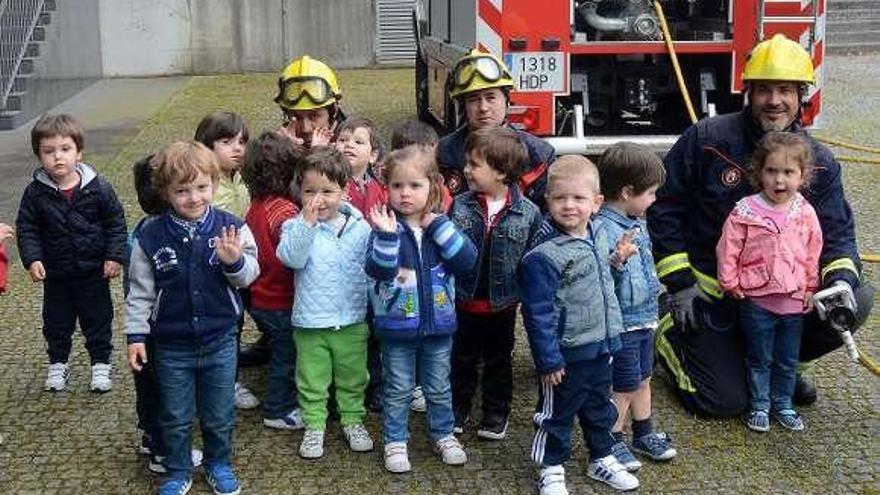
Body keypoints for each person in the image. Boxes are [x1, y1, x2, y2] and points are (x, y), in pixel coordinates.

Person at [647, 33, 873, 417]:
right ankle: (667, 333)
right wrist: (681, 283)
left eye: (785, 90)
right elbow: (664, 210)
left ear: (801, 95)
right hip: (711, 298)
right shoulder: (707, 140)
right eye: (764, 89)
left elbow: (837, 234)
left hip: (783, 301)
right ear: (748, 92)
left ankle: (784, 368)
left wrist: (839, 282)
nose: (774, 100)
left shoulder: (818, 162)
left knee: (859, 298)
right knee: (723, 403)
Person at [126, 140, 259, 495]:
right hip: (171, 345)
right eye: (182, 191)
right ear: (166, 192)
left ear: (214, 185)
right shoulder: (150, 236)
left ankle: (219, 463)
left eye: (201, 187)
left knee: (218, 414)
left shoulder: (232, 227)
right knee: (175, 414)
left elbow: (249, 277)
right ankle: (178, 469)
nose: (194, 198)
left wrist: (235, 261)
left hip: (220, 341)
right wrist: (136, 337)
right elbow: (140, 293)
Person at [519, 155, 640, 494]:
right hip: (566, 352)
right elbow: (537, 312)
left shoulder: (598, 232)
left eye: (578, 198)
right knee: (556, 413)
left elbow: (598, 277)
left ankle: (601, 456)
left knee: (600, 407)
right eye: (560, 198)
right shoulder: (543, 255)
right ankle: (551, 466)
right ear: (547, 201)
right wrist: (548, 358)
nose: (569, 206)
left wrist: (616, 262)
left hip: (603, 344)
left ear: (597, 203)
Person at [365, 145, 477, 474]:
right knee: (398, 387)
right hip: (396, 328)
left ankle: (443, 433)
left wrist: (439, 227)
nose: (405, 193)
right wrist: (386, 238)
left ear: (433, 186)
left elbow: (466, 261)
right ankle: (395, 440)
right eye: (397, 186)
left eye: (415, 185)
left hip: (439, 326)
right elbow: (379, 271)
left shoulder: (441, 227)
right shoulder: (384, 227)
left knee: (439, 386)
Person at [717, 132, 822, 432]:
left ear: (802, 176)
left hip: (792, 302)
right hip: (756, 301)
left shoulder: (804, 212)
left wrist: (810, 287)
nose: (779, 181)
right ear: (758, 172)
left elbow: (813, 251)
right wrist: (730, 280)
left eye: (788, 173)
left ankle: (783, 404)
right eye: (772, 171)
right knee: (759, 358)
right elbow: (729, 247)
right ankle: (760, 405)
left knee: (787, 360)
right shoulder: (745, 211)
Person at [16, 114, 127, 393]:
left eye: (65, 149)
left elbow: (115, 222)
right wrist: (33, 259)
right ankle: (58, 363)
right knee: (56, 321)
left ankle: (100, 363)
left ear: (79, 152)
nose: (58, 157)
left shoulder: (98, 188)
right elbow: (27, 228)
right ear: (39, 156)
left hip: (93, 271)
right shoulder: (35, 194)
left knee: (98, 318)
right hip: (57, 273)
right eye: (49, 151)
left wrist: (114, 256)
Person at [276, 147, 374, 460]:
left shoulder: (362, 228)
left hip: (352, 318)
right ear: (299, 193)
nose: (319, 199)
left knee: (353, 376)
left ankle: (352, 419)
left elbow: (373, 272)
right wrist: (306, 223)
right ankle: (314, 425)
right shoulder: (295, 226)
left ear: (345, 191)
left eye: (328, 191)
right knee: (312, 378)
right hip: (311, 321)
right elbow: (291, 257)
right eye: (310, 191)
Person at [449, 126, 542, 440]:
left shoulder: (528, 213)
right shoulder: (459, 205)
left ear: (501, 172)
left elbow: (533, 256)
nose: (466, 170)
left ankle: (495, 412)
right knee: (461, 358)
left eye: (474, 165)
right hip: (462, 300)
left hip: (502, 305)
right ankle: (457, 408)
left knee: (499, 361)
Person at [592, 143, 676, 471]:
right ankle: (611, 439)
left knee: (643, 377)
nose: (654, 200)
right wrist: (616, 261)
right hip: (622, 323)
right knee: (623, 384)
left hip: (644, 317)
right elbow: (599, 278)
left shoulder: (636, 221)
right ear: (628, 192)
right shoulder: (603, 229)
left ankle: (644, 432)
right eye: (651, 193)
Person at [126, 155, 204, 475]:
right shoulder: (156, 236)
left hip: (147, 327)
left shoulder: (142, 230)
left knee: (147, 386)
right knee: (164, 391)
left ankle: (150, 436)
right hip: (162, 329)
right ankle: (163, 453)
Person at [195, 111, 262, 409]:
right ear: (205, 147)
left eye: (242, 142)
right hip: (208, 268)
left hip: (238, 263)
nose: (238, 148)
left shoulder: (240, 178)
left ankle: (229, 380)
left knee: (233, 325)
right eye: (227, 141)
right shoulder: (203, 186)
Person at [240, 131, 306, 431]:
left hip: (259, 296)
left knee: (279, 346)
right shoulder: (285, 212)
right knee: (288, 354)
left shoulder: (257, 205)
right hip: (280, 299)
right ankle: (278, 408)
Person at [438, 49, 555, 208]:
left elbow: (551, 215)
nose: (483, 107)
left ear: (507, 101)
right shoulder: (443, 155)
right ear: (463, 106)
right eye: (473, 99)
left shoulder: (539, 156)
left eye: (491, 97)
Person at [274, 55, 346, 148]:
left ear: (333, 111)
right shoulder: (279, 145)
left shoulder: (355, 147)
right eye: (296, 117)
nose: (305, 129)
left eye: (314, 116)